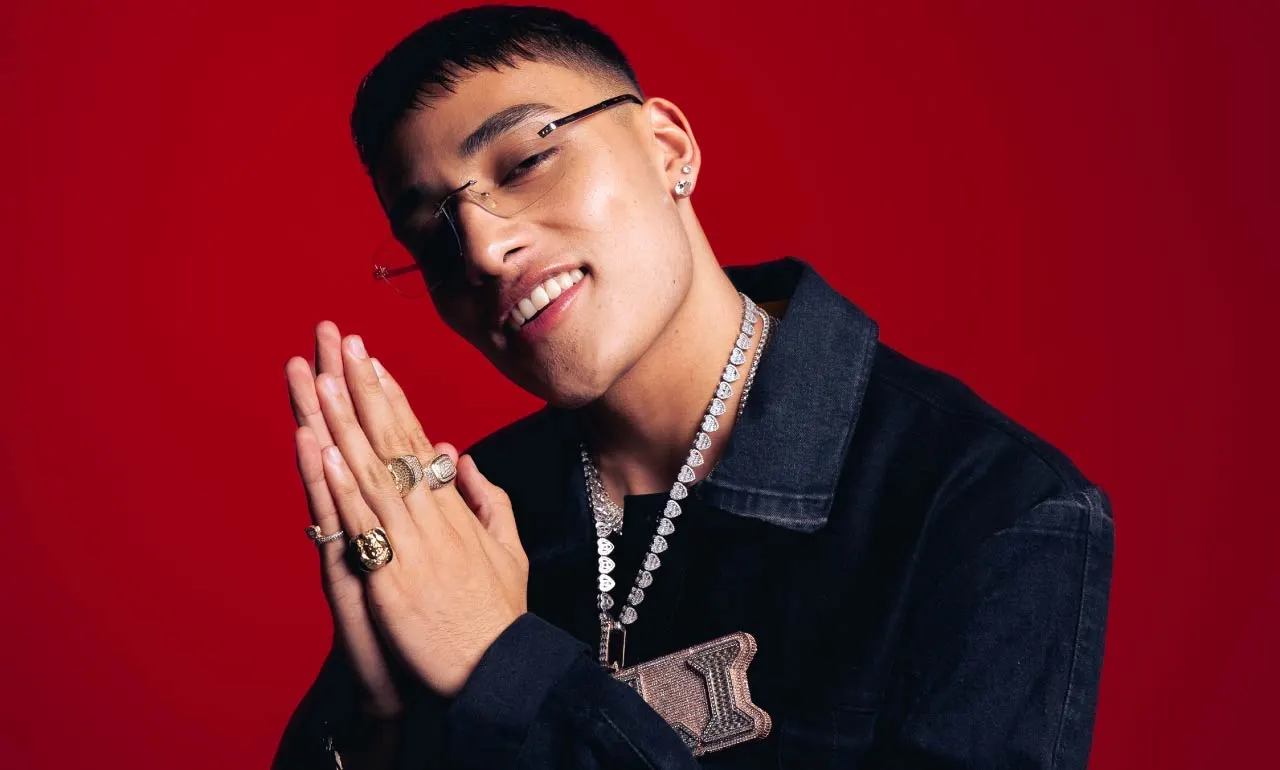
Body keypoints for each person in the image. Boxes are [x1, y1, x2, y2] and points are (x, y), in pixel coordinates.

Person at [273, 5, 1114, 768]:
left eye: (527, 161)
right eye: (433, 234)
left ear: (668, 148)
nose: (484, 252)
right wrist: (382, 723)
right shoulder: (461, 513)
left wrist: (502, 664)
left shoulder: (987, 504)